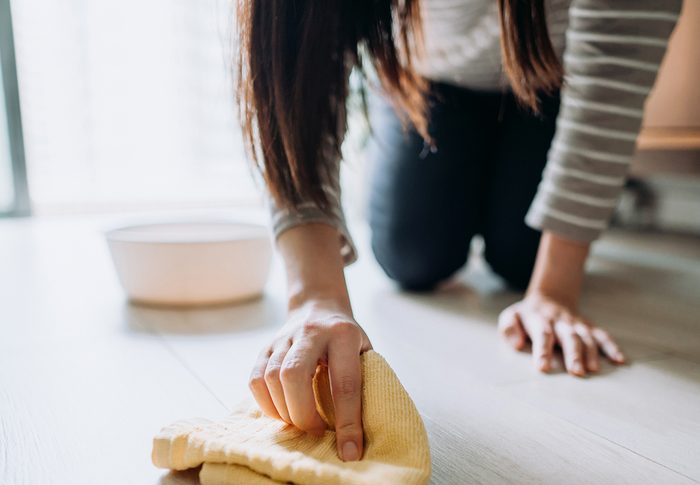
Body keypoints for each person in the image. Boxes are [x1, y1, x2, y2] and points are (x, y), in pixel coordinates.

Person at [235, 0, 682, 461]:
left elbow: (613, 73)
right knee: (412, 257)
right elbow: (294, 73)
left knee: (520, 259)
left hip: (552, 77)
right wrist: (314, 295)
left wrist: (554, 290)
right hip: (428, 76)